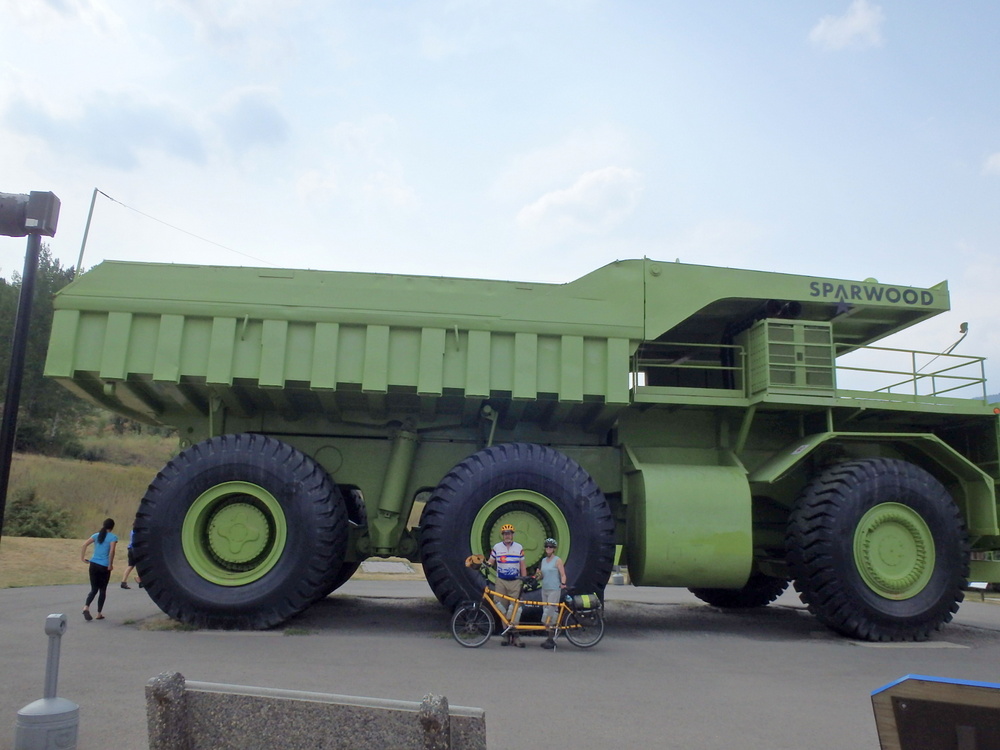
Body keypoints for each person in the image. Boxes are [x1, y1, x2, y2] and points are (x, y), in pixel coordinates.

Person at [486, 523, 526, 647]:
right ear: (502, 535)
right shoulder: (497, 547)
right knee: (500, 606)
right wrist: (481, 564)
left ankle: (516, 636)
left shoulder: (519, 547)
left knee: (515, 609)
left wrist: (524, 581)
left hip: (515, 581)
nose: (507, 536)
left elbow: (522, 565)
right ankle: (505, 634)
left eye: (509, 533)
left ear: (512, 535)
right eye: (505, 534)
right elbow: (490, 562)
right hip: (501, 582)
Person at [81, 518, 117, 621]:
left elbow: (84, 545)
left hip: (93, 564)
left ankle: (86, 607)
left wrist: (82, 558)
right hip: (104, 566)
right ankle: (99, 613)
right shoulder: (113, 537)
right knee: (102, 590)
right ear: (112, 527)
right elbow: (112, 551)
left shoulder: (96, 535)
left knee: (94, 589)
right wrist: (110, 564)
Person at [535, 537, 567, 649]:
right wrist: (536, 577)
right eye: (547, 547)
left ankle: (551, 638)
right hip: (545, 589)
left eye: (551, 547)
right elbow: (539, 574)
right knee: (545, 613)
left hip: (554, 589)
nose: (548, 548)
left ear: (554, 549)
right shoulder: (543, 561)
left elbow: (562, 574)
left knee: (551, 613)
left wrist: (563, 583)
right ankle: (549, 637)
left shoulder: (557, 560)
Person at [120, 521, 142, 589]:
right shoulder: (138, 533)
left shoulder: (132, 531)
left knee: (130, 566)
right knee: (140, 565)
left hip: (130, 549)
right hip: (135, 550)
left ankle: (123, 582)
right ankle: (140, 579)